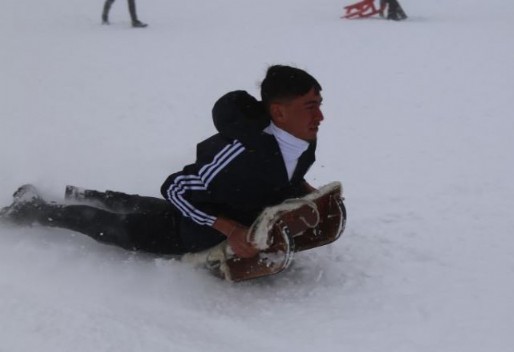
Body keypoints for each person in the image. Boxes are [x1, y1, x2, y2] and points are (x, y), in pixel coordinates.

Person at [0, 65, 325, 259]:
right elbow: (176, 188)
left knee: (139, 204)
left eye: (319, 104)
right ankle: (34, 209)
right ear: (279, 112)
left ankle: (76, 192)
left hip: (216, 209)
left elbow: (282, 175)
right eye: (310, 106)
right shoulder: (238, 154)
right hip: (189, 232)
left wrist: (306, 190)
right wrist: (230, 230)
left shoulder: (303, 138)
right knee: (108, 225)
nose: (320, 116)